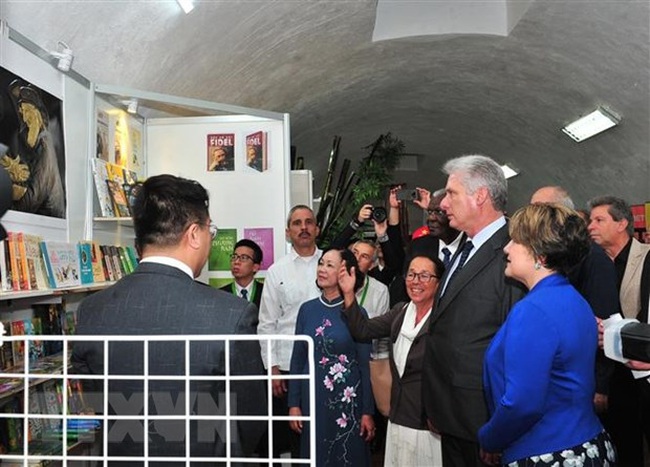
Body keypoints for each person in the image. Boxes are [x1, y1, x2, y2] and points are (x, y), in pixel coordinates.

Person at [71, 174, 266, 462]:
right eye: (209, 231)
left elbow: (94, 402)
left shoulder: (91, 310)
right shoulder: (231, 315)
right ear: (194, 235)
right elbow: (252, 416)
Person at [478, 203, 616, 465]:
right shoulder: (573, 298)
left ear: (540, 256)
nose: (507, 249)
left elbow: (522, 404)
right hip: (586, 442)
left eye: (515, 241)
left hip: (547, 450)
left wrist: (489, 437)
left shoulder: (533, 310)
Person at [422, 154, 527, 467]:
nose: (443, 204)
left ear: (480, 195)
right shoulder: (465, 248)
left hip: (482, 417)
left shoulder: (512, 251)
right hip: (452, 411)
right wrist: (437, 406)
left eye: (452, 193)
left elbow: (516, 346)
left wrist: (500, 427)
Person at [339, 252, 445, 467]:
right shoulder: (400, 312)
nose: (416, 281)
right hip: (398, 417)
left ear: (439, 282)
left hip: (429, 424)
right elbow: (362, 330)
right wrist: (349, 293)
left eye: (425, 276)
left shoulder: (445, 319)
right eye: (411, 274)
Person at [530, 185, 619, 415]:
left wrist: (601, 385)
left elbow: (605, 323)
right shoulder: (556, 254)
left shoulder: (592, 257)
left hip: (584, 378)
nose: (532, 215)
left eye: (539, 208)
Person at [288, 248, 375, 466]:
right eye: (321, 263)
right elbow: (298, 360)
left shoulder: (357, 313)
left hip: (348, 404)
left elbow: (366, 366)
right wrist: (294, 404)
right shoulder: (307, 310)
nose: (322, 269)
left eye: (330, 265)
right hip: (313, 399)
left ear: (346, 273)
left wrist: (367, 411)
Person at [588, 195, 650, 465]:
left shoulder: (646, 258)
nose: (591, 226)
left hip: (640, 369)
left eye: (599, 220)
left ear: (622, 223)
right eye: (590, 220)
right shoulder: (591, 265)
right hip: (605, 370)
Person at [257, 204, 322, 459]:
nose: (303, 227)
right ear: (288, 232)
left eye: (308, 222)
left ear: (316, 228)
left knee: (326, 428)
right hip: (287, 366)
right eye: (297, 223)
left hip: (326, 362)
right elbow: (267, 323)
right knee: (296, 436)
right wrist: (272, 368)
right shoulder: (276, 271)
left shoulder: (332, 263)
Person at [220, 238, 264, 309]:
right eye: (234, 257)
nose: (236, 262)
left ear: (255, 267)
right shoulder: (221, 294)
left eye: (243, 258)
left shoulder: (266, 293)